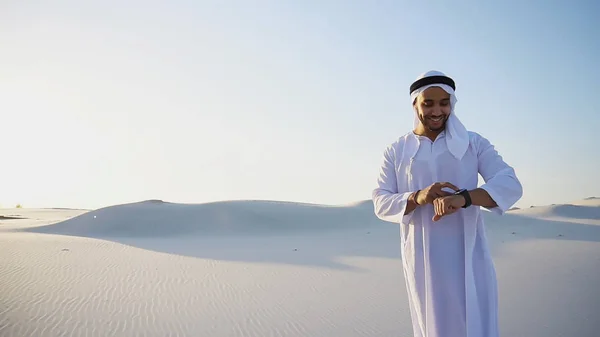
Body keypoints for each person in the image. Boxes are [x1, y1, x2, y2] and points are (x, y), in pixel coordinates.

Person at [372, 70, 523, 337]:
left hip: (469, 255)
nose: (437, 110)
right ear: (415, 104)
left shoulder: (473, 143)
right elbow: (381, 202)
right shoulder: (396, 150)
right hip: (422, 258)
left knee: (473, 323)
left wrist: (464, 198)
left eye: (444, 103)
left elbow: (509, 184)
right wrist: (417, 196)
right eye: (428, 103)